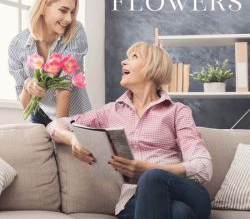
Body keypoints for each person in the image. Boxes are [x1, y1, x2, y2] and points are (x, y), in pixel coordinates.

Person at [46, 42, 213, 219]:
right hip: (135, 200)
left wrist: (150, 169)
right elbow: (55, 125)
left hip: (185, 191)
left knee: (152, 177)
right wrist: (73, 139)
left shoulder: (177, 111)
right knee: (180, 213)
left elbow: (203, 167)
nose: (123, 62)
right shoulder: (110, 111)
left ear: (152, 67)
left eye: (133, 57)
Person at [8, 0, 91, 126]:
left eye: (72, 12)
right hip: (40, 115)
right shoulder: (17, 45)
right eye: (63, 10)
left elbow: (64, 87)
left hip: (74, 116)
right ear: (43, 7)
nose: (69, 19)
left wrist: (60, 129)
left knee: (65, 148)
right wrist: (28, 85)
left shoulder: (75, 32)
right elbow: (26, 105)